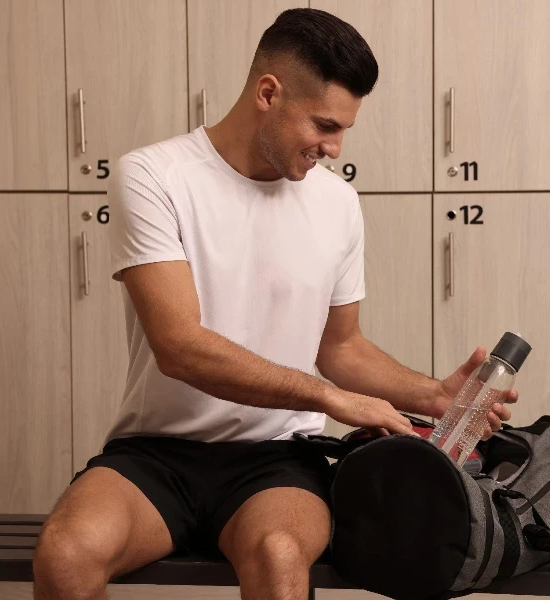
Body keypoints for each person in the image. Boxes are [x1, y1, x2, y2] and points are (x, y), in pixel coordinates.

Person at [32, 8, 518, 600]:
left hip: (278, 462)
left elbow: (339, 347)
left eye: (344, 130)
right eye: (324, 124)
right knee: (66, 555)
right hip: (157, 454)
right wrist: (329, 398)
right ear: (269, 92)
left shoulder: (337, 204)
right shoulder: (154, 176)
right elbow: (179, 348)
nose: (335, 148)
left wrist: (433, 395)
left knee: (279, 555)